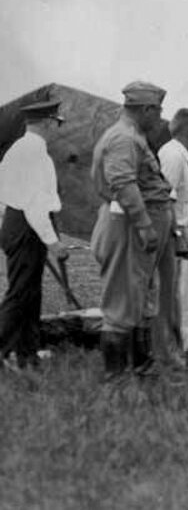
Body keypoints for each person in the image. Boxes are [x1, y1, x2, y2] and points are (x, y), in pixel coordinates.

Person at [91, 81, 180, 381]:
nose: (160, 116)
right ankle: (114, 378)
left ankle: (141, 366)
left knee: (140, 296)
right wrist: (144, 226)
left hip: (138, 225)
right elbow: (123, 184)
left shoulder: (131, 136)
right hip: (130, 227)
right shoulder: (124, 138)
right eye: (158, 110)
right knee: (121, 301)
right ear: (145, 109)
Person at [0, 99, 69, 369]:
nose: (57, 128)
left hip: (19, 222)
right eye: (57, 123)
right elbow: (35, 205)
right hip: (27, 224)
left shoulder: (21, 147)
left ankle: (27, 353)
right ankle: (5, 350)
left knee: (30, 293)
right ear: (48, 122)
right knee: (20, 294)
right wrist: (52, 242)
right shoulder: (33, 152)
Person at [158, 108, 188, 355]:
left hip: (185, 230)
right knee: (181, 290)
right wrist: (179, 236)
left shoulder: (186, 156)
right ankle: (181, 343)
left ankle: (187, 341)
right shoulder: (174, 156)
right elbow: (164, 198)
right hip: (176, 233)